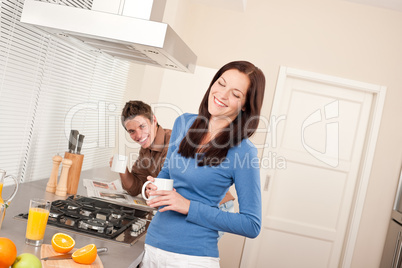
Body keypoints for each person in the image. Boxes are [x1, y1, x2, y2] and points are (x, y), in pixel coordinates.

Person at [141, 60, 265, 267]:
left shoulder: (243, 151)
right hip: (153, 247)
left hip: (193, 258)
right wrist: (151, 188)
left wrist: (188, 206)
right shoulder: (184, 123)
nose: (222, 95)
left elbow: (251, 225)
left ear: (245, 105)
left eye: (235, 94)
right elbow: (166, 172)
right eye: (221, 83)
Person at [110, 101, 235, 211]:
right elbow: (136, 188)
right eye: (132, 131)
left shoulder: (174, 141)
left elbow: (180, 187)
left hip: (215, 205)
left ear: (153, 120)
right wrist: (122, 170)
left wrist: (153, 192)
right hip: (193, 205)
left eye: (142, 126)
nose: (138, 135)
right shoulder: (146, 150)